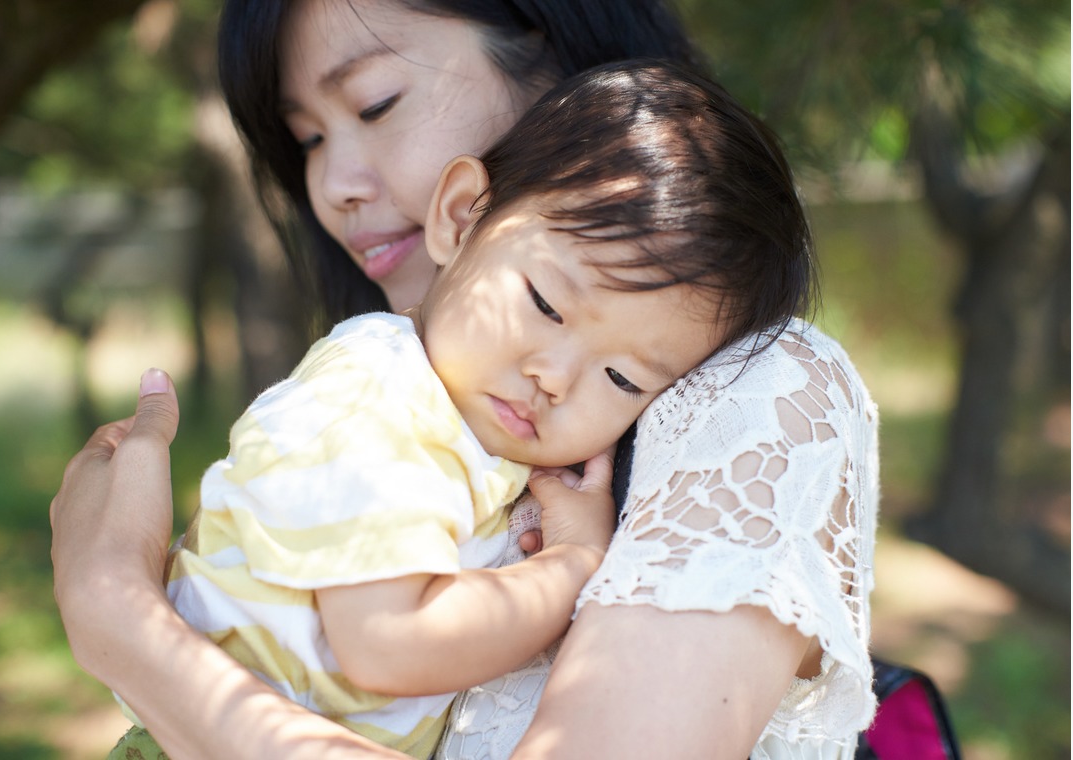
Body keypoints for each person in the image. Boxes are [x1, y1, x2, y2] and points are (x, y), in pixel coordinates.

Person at [50, 1, 880, 758]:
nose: (334, 185)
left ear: (553, 52)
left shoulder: (757, 397)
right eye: (307, 138)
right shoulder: (393, 399)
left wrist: (122, 620)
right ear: (463, 211)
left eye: (376, 104)